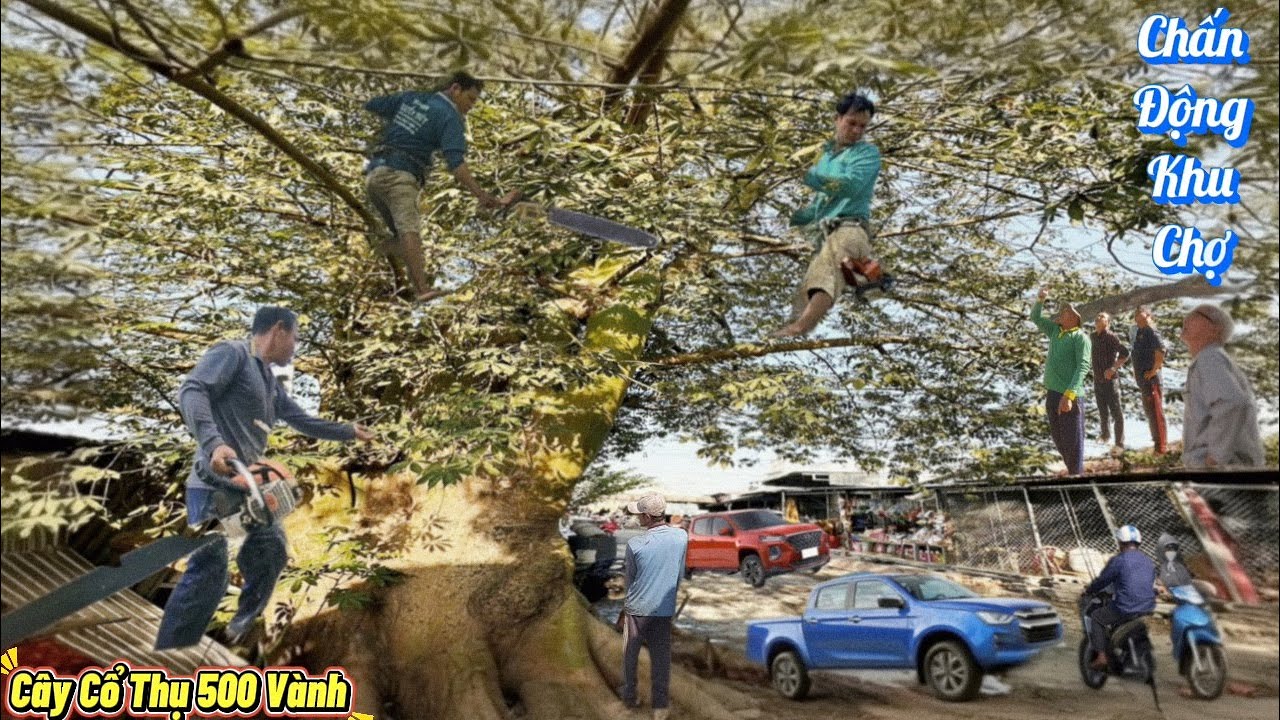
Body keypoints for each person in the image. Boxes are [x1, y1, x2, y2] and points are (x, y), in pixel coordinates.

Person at [155, 306, 373, 650]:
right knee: (209, 572)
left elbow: (301, 420)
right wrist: (214, 443)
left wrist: (347, 431)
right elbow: (193, 390)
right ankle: (168, 654)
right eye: (295, 339)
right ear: (278, 330)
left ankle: (239, 627)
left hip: (248, 487)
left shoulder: (270, 382)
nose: (295, 348)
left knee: (271, 550)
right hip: (213, 483)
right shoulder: (233, 354)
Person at [363, 71, 520, 301]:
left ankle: (388, 246)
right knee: (410, 230)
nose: (471, 106)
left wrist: (407, 123)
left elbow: (373, 105)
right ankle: (422, 289)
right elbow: (457, 165)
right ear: (455, 89)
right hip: (400, 177)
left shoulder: (412, 98)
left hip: (374, 176)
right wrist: (481, 195)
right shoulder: (450, 116)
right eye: (471, 99)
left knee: (400, 235)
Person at [773, 92, 882, 337]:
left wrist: (810, 177)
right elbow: (820, 205)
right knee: (805, 292)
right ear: (837, 118)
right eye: (851, 123)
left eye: (862, 126)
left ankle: (800, 328)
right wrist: (795, 218)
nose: (857, 130)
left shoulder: (866, 154)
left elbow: (850, 185)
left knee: (824, 272)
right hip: (829, 231)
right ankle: (786, 335)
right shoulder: (824, 155)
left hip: (850, 228)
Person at [619, 493, 687, 720]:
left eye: (639, 515)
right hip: (663, 610)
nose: (637, 518)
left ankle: (630, 696)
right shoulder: (681, 537)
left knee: (630, 654)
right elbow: (679, 575)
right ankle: (660, 707)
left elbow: (629, 581)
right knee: (661, 659)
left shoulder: (635, 544)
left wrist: (624, 607)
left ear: (647, 516)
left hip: (636, 611)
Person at [1179, 303, 1265, 468]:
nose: (1188, 317)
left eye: (1197, 313)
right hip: (1227, 470)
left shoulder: (1209, 357)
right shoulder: (1211, 359)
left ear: (1214, 329)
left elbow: (1231, 403)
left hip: (1224, 473)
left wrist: (1215, 459)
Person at [1030, 288, 1091, 475]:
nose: (1061, 314)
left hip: (1069, 395)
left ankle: (1077, 475)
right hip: (1053, 393)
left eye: (1065, 312)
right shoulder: (1056, 332)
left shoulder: (1080, 338)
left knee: (1072, 441)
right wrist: (1040, 299)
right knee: (1059, 439)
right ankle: (1074, 472)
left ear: (1074, 318)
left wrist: (1070, 394)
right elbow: (1036, 318)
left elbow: (1083, 367)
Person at [1083, 525, 1157, 670]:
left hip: (1126, 607)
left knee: (1097, 617)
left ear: (1120, 542)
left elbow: (1103, 580)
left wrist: (1089, 590)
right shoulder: (1148, 561)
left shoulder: (1119, 560)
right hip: (1148, 606)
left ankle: (1101, 657)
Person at [1131, 305, 1168, 454]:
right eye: (1136, 315)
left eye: (1142, 314)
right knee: (1150, 413)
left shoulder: (1151, 331)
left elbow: (1160, 351)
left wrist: (1154, 370)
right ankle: (1157, 444)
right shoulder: (1139, 332)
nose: (1139, 317)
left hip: (1152, 380)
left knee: (1156, 412)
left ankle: (1161, 447)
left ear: (1149, 316)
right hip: (1143, 381)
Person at [1090, 312, 1130, 452]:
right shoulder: (1092, 337)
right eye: (1097, 320)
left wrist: (1113, 368)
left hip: (1110, 381)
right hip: (1098, 380)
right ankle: (1105, 435)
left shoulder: (1112, 337)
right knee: (1102, 411)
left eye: (1102, 320)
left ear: (1107, 323)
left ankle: (1119, 443)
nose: (1099, 322)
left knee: (1116, 412)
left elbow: (1125, 353)